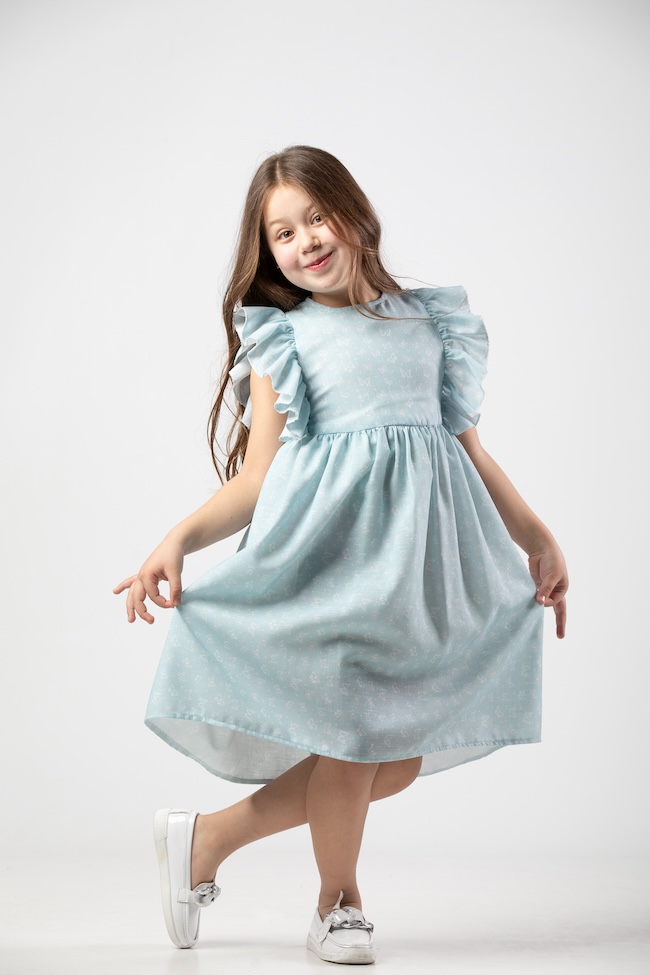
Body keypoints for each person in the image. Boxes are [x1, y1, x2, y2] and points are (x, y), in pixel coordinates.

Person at [114, 145, 568, 966]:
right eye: (282, 233)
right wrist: (176, 538)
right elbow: (257, 479)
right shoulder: (286, 338)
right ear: (269, 253)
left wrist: (535, 536)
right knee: (357, 753)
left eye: (316, 217)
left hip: (415, 582)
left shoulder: (430, 325)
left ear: (354, 212)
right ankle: (339, 903)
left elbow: (470, 452)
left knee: (389, 761)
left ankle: (205, 840)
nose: (305, 241)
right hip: (332, 570)